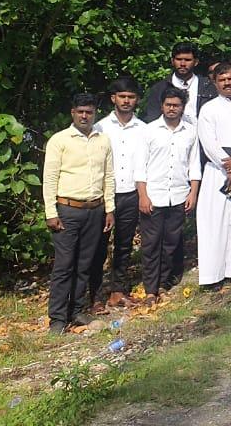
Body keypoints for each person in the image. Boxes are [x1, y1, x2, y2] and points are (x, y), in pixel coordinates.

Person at [44, 93, 116, 335]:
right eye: (80, 111)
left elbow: (109, 176)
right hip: (67, 210)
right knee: (64, 265)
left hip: (94, 210)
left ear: (95, 113)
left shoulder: (103, 140)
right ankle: (57, 318)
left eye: (89, 112)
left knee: (85, 265)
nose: (85, 116)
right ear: (72, 113)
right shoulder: (59, 140)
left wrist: (109, 209)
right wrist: (50, 212)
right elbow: (50, 178)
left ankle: (75, 310)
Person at [134, 86, 199, 304]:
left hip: (179, 195)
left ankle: (164, 282)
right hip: (153, 196)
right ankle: (150, 289)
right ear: (162, 106)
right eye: (168, 105)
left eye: (176, 105)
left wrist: (193, 193)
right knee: (151, 243)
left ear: (182, 107)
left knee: (172, 242)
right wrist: (142, 195)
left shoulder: (190, 132)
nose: (172, 109)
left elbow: (194, 165)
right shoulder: (148, 131)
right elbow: (140, 167)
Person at [191, 63, 231, 290]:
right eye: (222, 80)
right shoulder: (209, 109)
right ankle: (213, 275)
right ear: (215, 83)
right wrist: (229, 165)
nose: (227, 83)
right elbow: (208, 142)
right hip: (218, 171)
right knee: (214, 222)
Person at [93, 77, 146, 309]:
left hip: (130, 193)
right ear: (113, 98)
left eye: (131, 97)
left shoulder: (144, 129)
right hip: (105, 195)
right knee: (97, 245)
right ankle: (93, 295)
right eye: (122, 96)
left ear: (137, 100)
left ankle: (118, 291)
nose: (126, 101)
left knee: (124, 246)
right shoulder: (100, 128)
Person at [144, 41, 217, 123]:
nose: (182, 64)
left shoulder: (208, 86)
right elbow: (153, 119)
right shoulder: (159, 89)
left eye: (187, 60)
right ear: (172, 61)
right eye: (179, 59)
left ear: (196, 62)